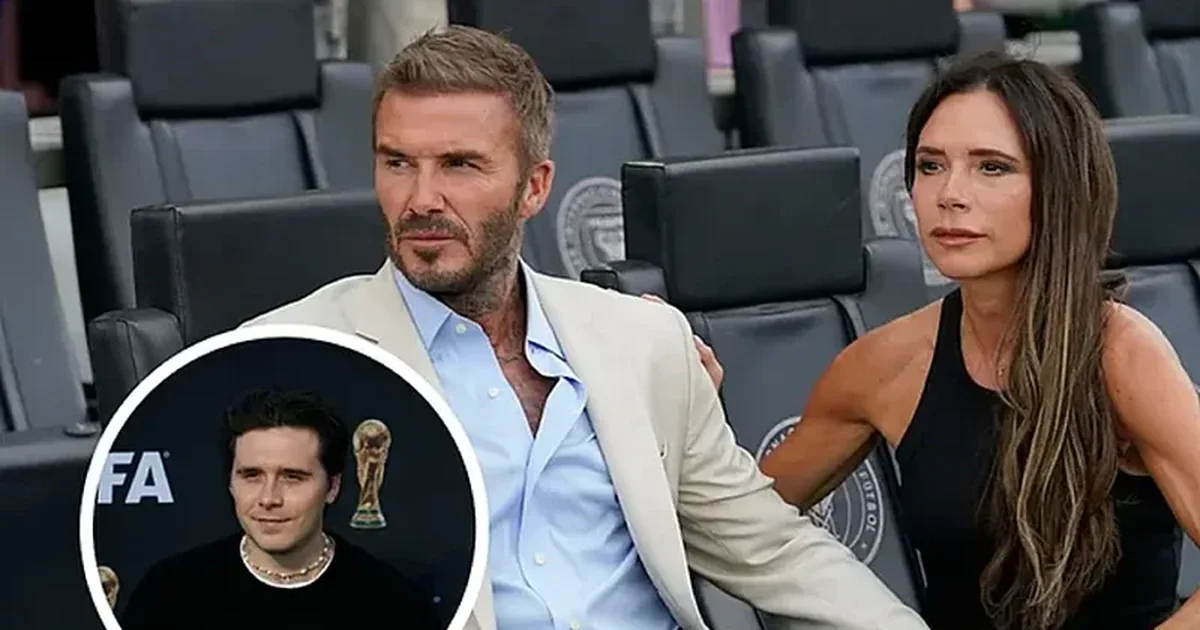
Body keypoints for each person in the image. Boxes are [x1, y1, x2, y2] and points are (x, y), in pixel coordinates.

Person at [242, 24, 926, 630]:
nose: (421, 199)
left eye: (459, 165)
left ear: (535, 187)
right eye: (398, 163)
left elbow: (772, 551)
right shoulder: (293, 358)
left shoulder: (644, 343)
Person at [760, 52, 1200, 630]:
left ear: (1059, 187)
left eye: (992, 167)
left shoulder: (1123, 354)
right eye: (931, 165)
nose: (950, 194)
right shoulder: (883, 365)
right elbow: (740, 522)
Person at [119, 389, 439, 629]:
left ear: (332, 487)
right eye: (252, 475)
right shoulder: (169, 592)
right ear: (230, 483)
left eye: (292, 477)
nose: (269, 498)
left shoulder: (392, 604)